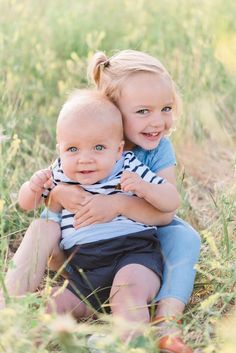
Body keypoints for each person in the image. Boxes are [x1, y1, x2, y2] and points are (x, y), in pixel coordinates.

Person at [1, 50, 200, 353]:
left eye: (166, 108)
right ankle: (9, 314)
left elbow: (167, 209)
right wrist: (53, 194)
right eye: (143, 111)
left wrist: (119, 202)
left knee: (182, 238)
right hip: (79, 255)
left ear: (119, 148)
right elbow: (38, 199)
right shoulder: (84, 139)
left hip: (130, 247)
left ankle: (163, 321)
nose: (157, 121)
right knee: (43, 235)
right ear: (113, 109)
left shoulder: (140, 157)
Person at [18, 90, 180, 342]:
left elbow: (172, 200)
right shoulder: (60, 172)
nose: (85, 159)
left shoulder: (127, 165)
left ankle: (130, 343)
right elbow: (25, 204)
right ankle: (20, 341)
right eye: (72, 148)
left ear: (118, 149)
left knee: (127, 296)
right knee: (53, 307)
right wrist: (32, 186)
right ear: (59, 149)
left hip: (132, 255)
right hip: (84, 271)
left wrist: (144, 188)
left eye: (98, 147)